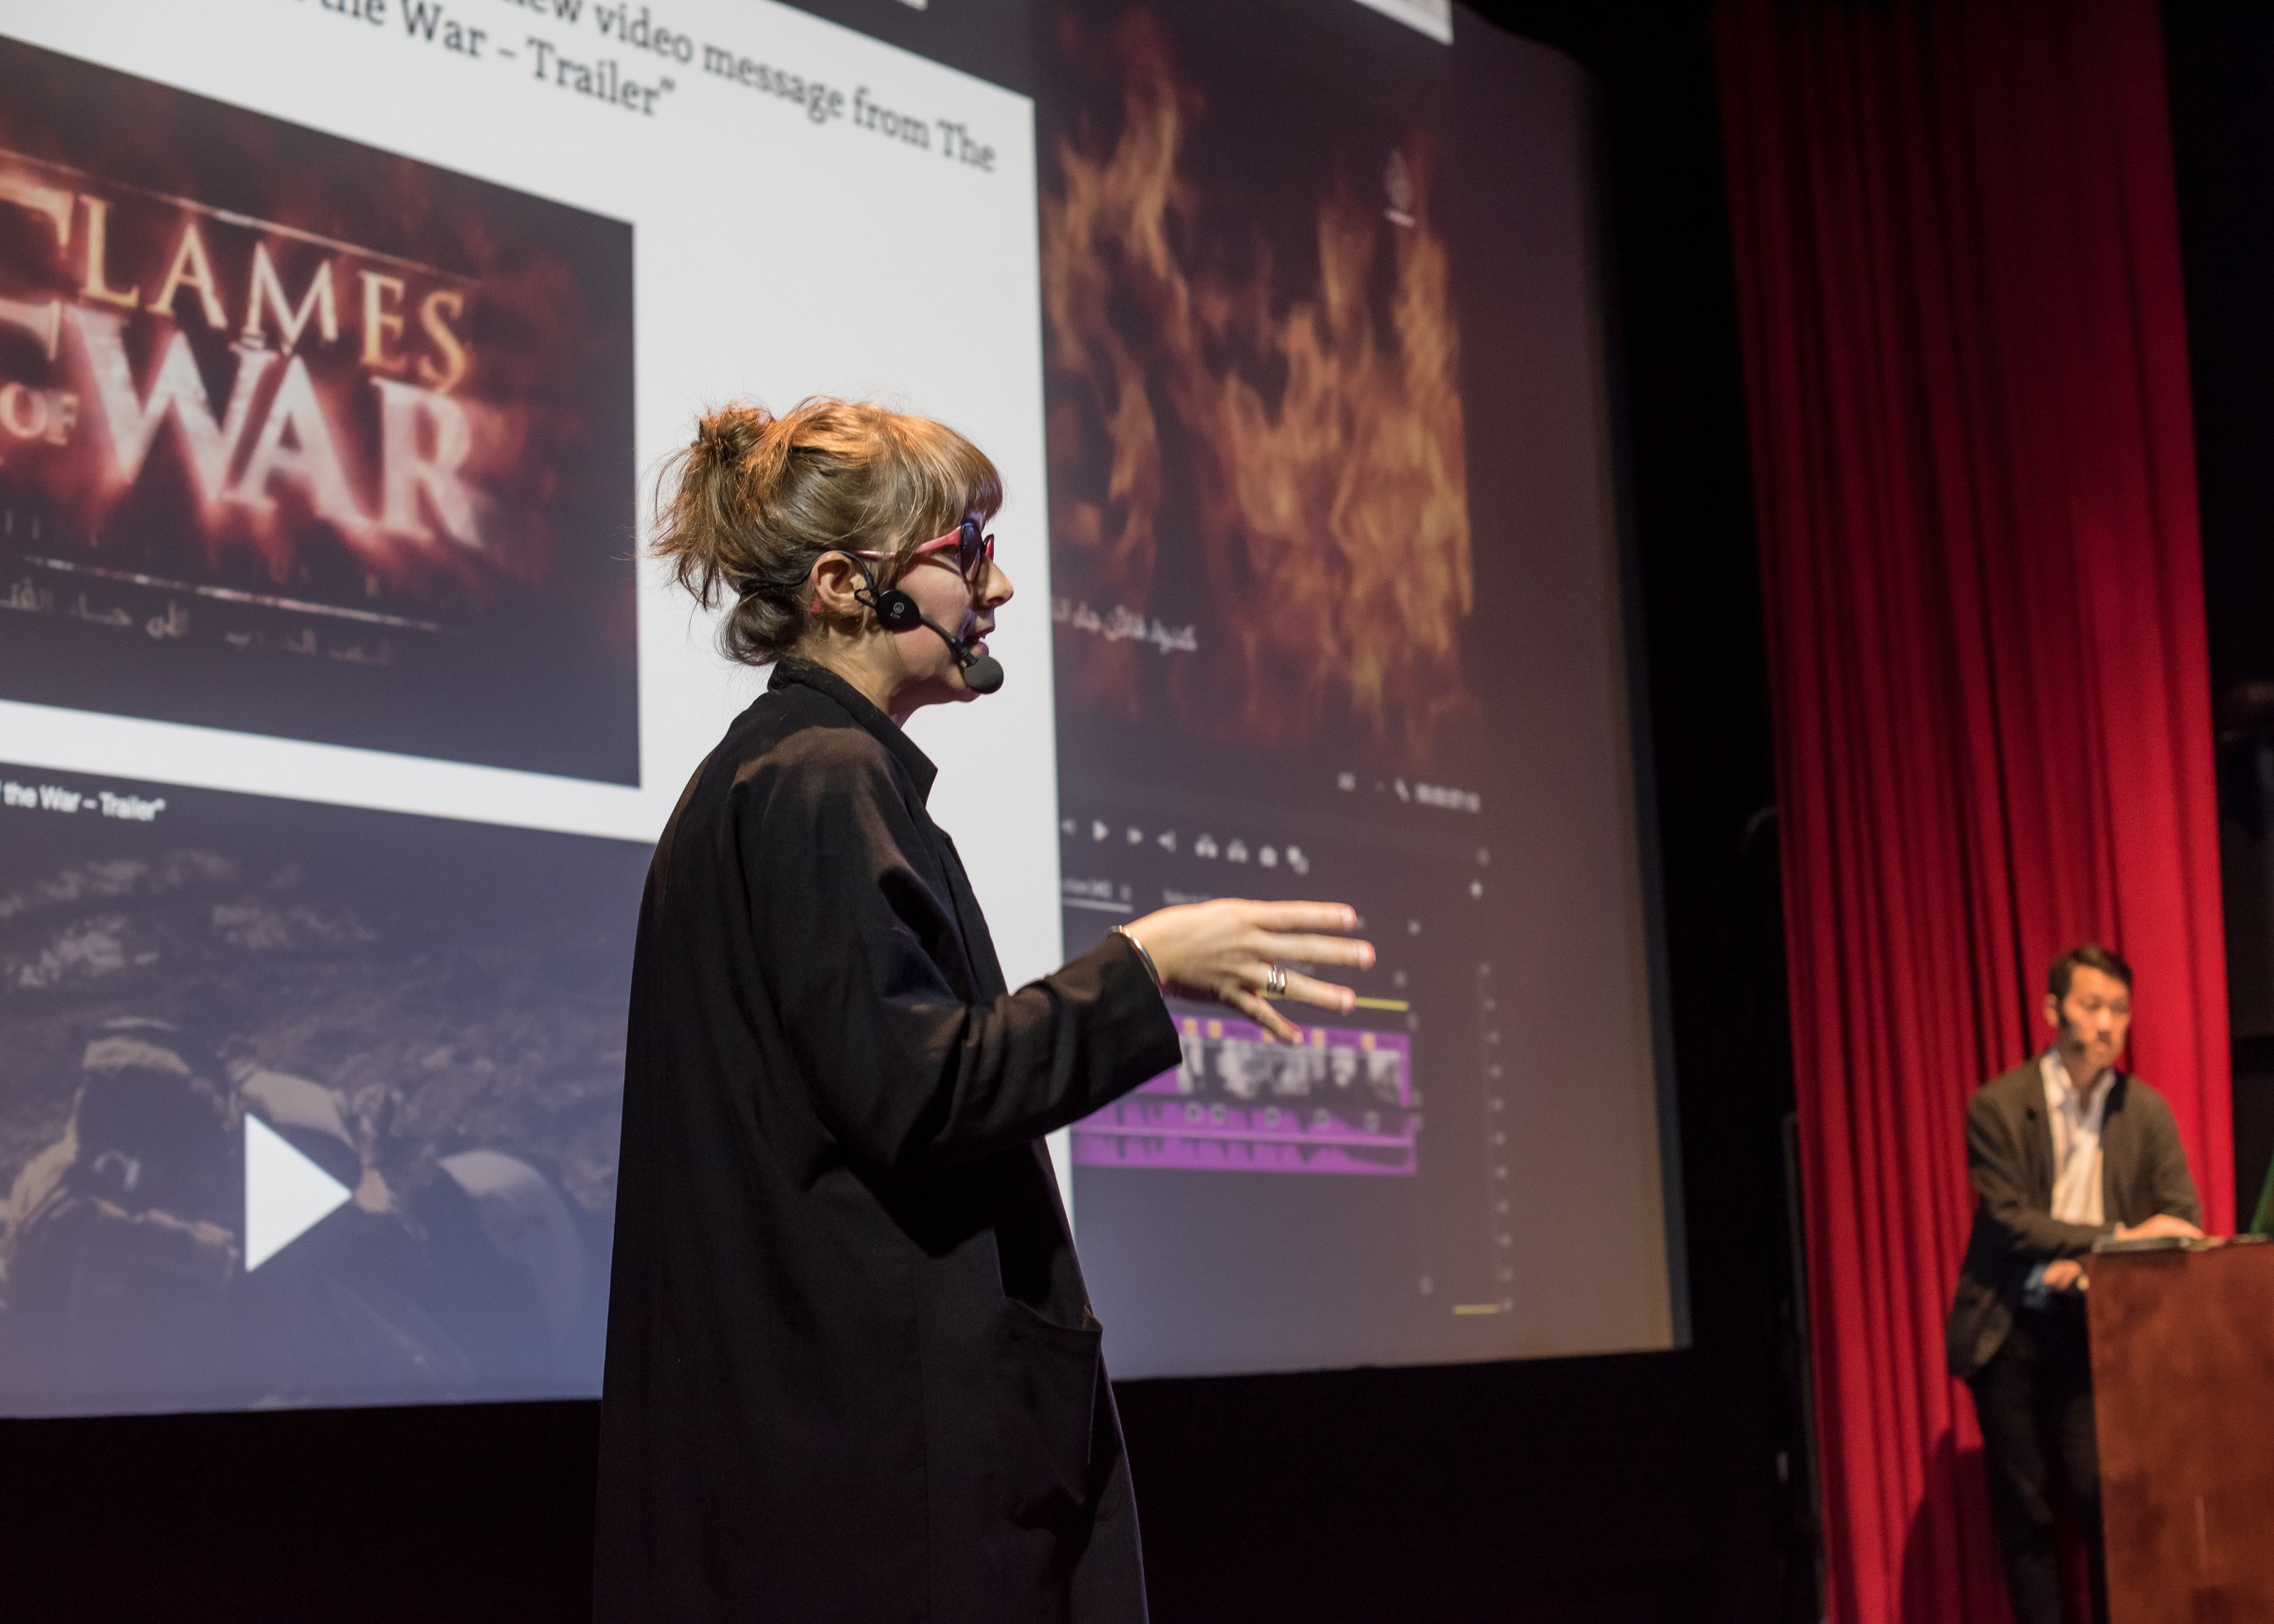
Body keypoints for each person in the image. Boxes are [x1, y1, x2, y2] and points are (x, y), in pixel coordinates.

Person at [591, 398, 1373, 1624]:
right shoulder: (815, 778)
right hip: (874, 1502)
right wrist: (1146, 963)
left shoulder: (776, 777)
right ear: (849, 586)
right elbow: (921, 1086)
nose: (996, 586)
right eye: (966, 551)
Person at [1945, 945, 2204, 1624]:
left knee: (2102, 1499)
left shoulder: (2143, 1110)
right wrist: (2112, 1242)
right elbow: (2008, 1222)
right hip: (2010, 1326)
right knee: (2026, 1512)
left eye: (2119, 1009)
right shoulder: (1999, 1105)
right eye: (2092, 1006)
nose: (2107, 1023)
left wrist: (2093, 1267)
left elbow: (2183, 1216)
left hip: (2096, 1327)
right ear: (2053, 1011)